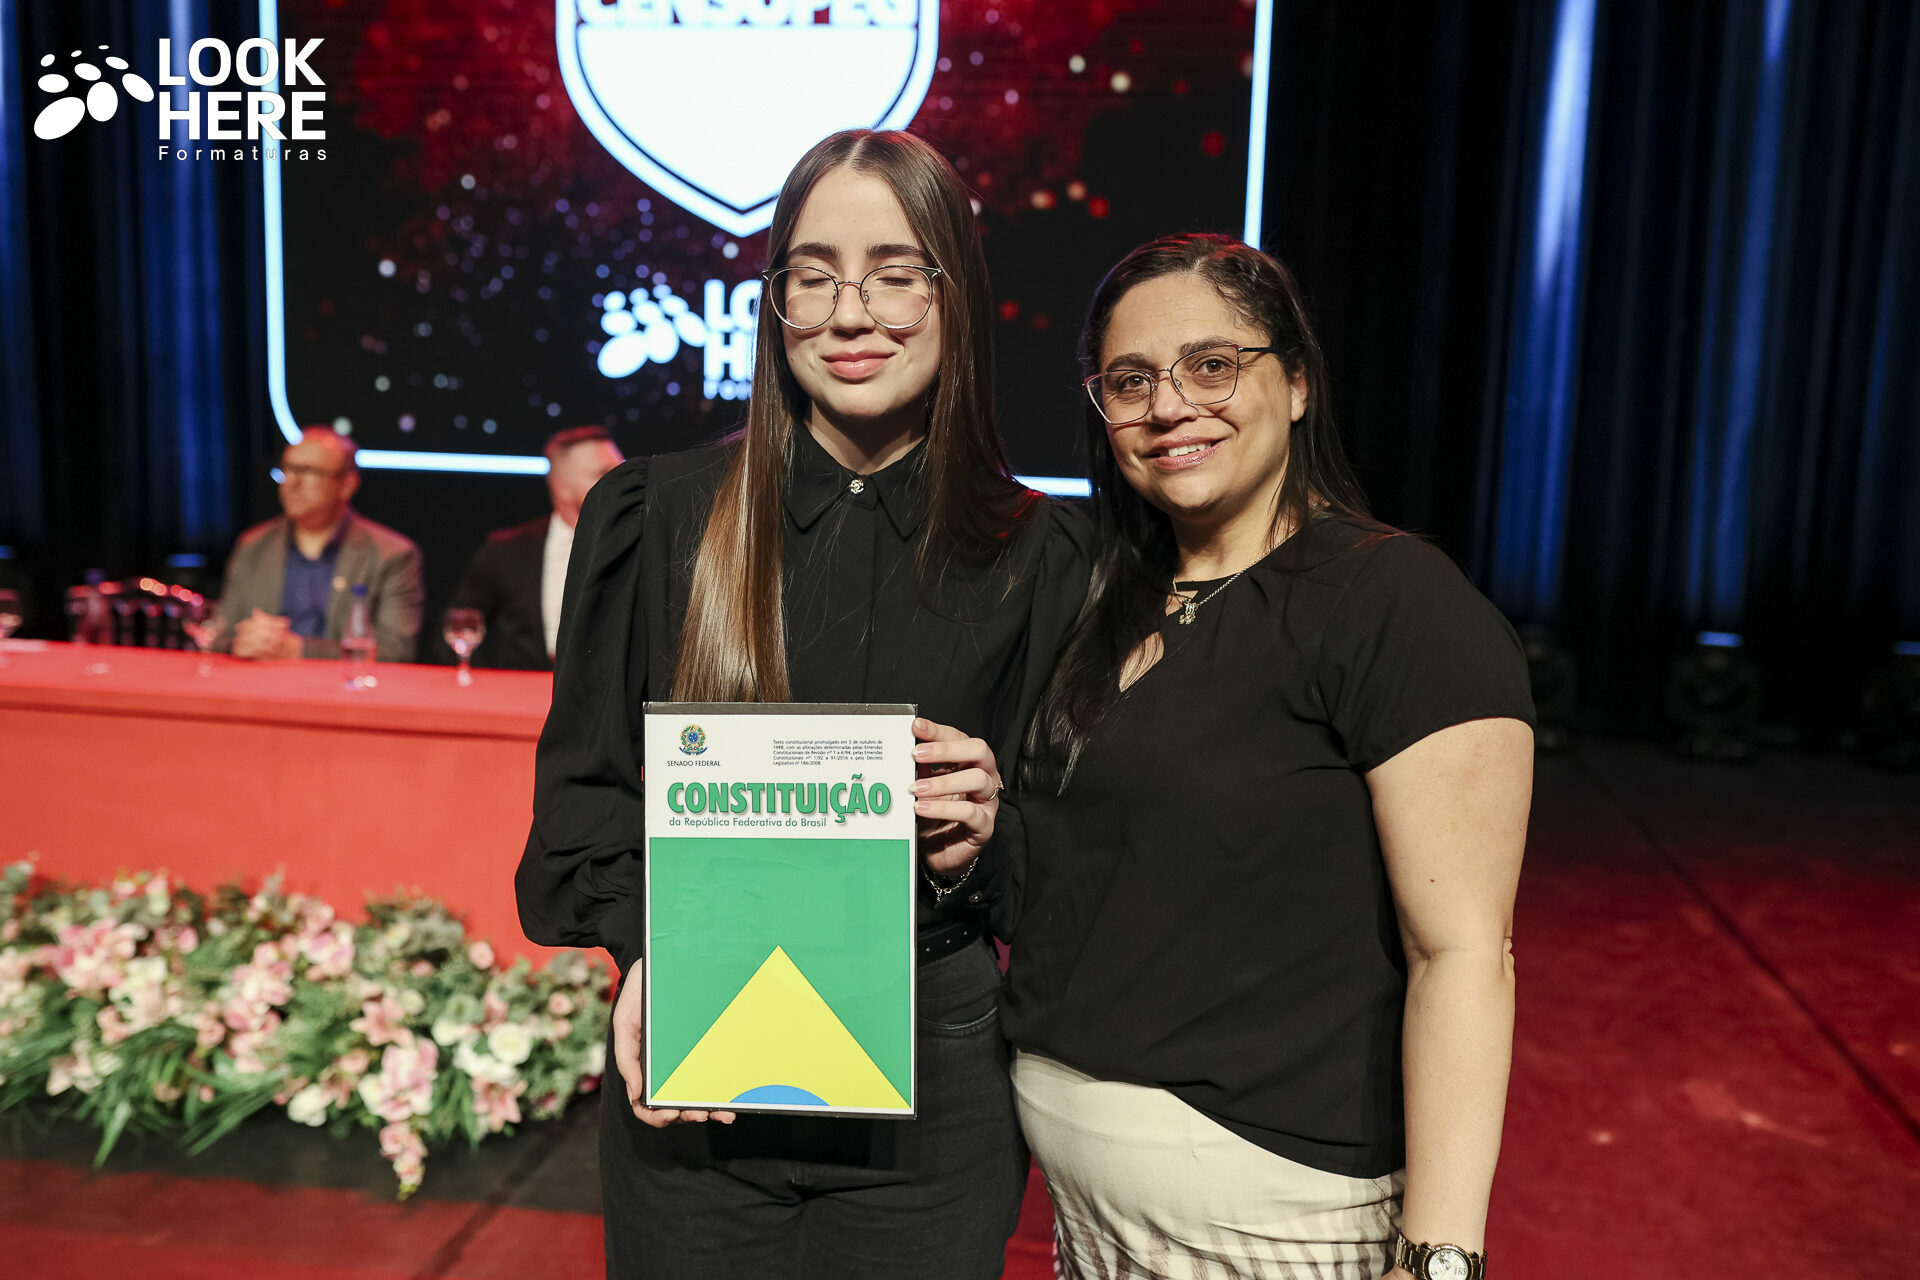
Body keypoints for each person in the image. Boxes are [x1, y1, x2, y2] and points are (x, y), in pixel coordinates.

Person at [514, 130, 1090, 1280]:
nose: (849, 312)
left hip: (936, 1077)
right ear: (775, 302)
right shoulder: (658, 517)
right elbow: (582, 806)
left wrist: (985, 842)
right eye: (813, 275)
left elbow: (1082, 856)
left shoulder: (1046, 554)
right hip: (702, 1066)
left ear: (956, 294)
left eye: (895, 272)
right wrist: (648, 949)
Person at [993, 234, 1536, 1280]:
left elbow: (1464, 955)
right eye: (1130, 381)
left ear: (1294, 384)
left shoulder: (1396, 604)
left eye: (1211, 365)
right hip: (1087, 1225)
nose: (1169, 405)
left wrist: (1439, 1259)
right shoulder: (1104, 601)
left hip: (1277, 1233)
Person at [219, 427, 424, 662]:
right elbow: (218, 635)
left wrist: (302, 650)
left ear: (347, 485)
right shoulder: (254, 545)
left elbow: (397, 650)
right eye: (287, 469)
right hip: (262, 680)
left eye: (309, 471)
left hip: (343, 684)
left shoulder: (392, 554)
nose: (291, 482)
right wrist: (240, 643)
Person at [442, 426, 625, 670]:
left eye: (623, 471)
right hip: (523, 687)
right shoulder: (507, 550)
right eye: (603, 473)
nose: (622, 483)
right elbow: (458, 626)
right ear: (562, 486)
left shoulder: (642, 543)